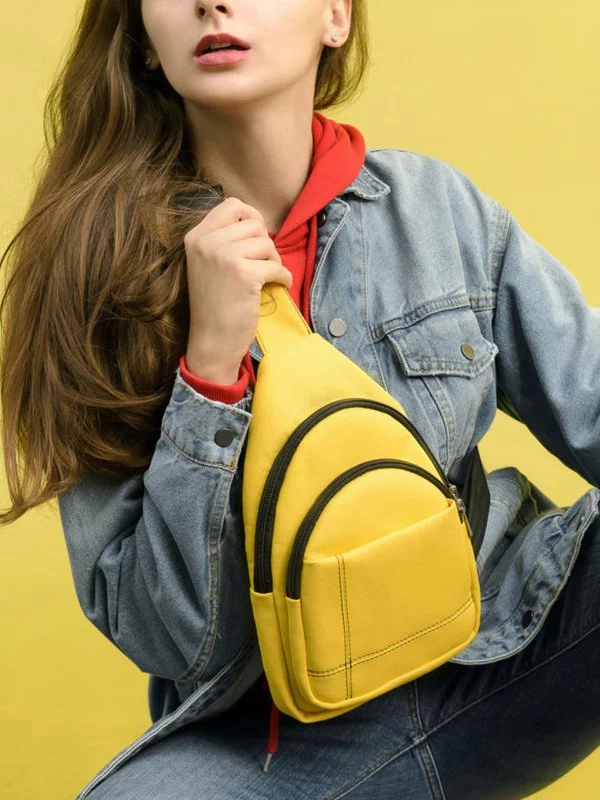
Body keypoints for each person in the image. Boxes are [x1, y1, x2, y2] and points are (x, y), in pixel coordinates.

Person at [1, 1, 599, 798]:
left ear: (335, 17)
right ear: (143, 40)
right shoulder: (101, 275)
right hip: (269, 753)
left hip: (500, 652)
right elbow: (169, 637)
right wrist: (210, 369)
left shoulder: (438, 213)